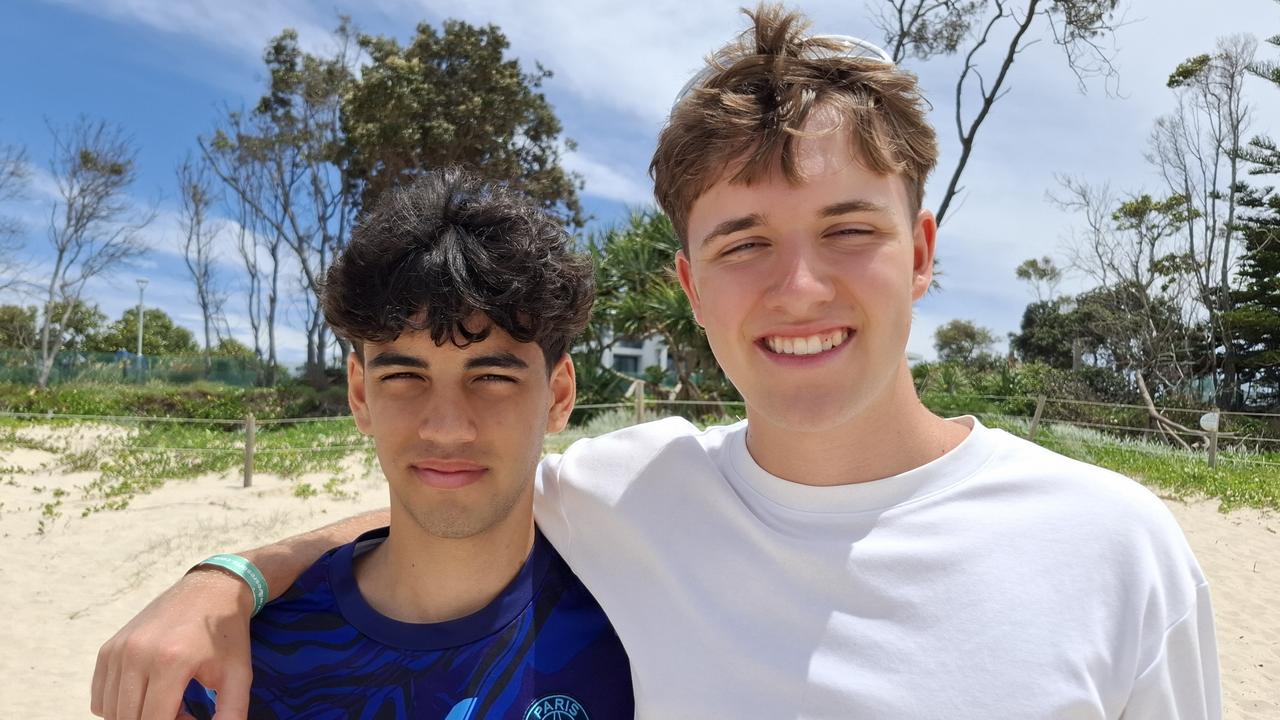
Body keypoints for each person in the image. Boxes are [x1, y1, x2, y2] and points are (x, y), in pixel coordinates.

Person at [92, 5, 1220, 719]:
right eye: (743, 243)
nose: (799, 289)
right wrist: (223, 580)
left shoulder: (1111, 548)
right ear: (688, 284)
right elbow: (441, 490)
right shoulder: (634, 492)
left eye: (847, 230)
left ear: (920, 251)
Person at [162, 168, 632, 719]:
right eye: (404, 377)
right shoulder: (236, 662)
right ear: (360, 394)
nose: (446, 428)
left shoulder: (634, 630)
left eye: (492, 378)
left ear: (558, 395)